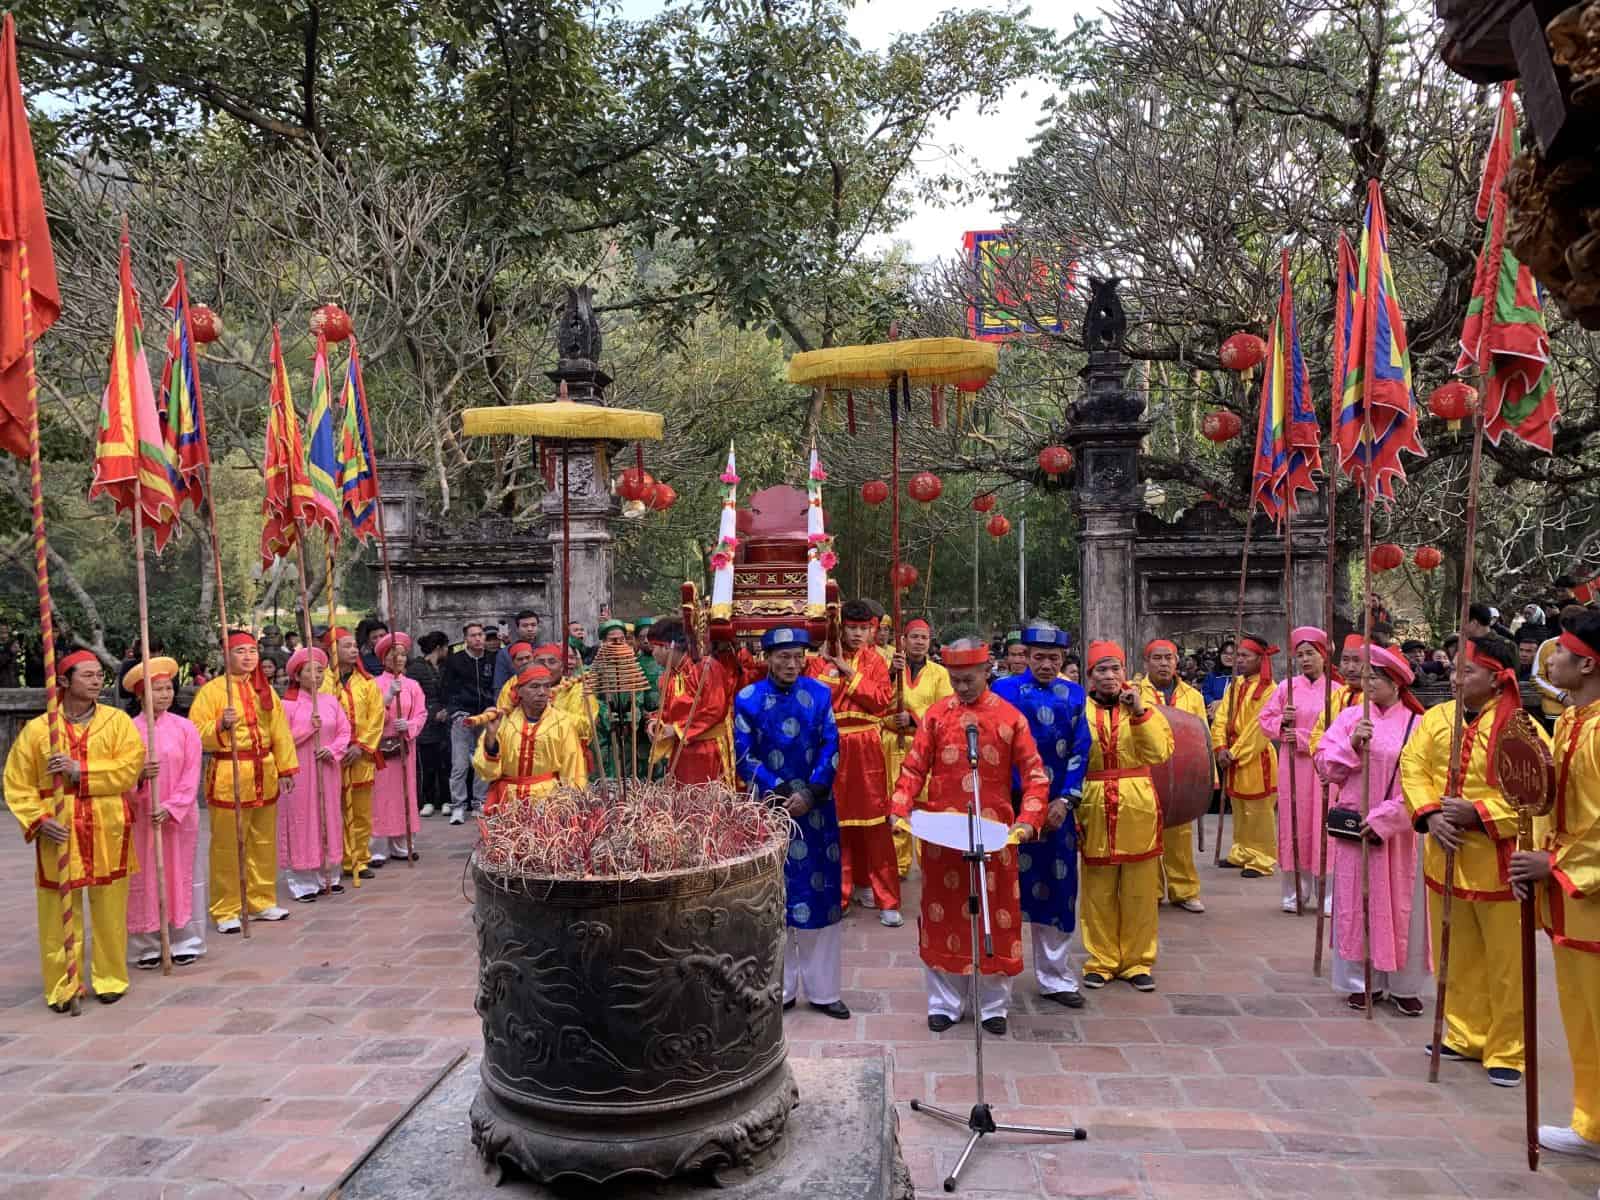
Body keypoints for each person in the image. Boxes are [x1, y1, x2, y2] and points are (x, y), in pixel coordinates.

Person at [1402, 634, 1548, 1088]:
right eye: (1454, 671)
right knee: (1457, 953)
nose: (1454, 679)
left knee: (1507, 964)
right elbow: (1414, 767)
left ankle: (1508, 1048)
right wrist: (1429, 816)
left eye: (1466, 672)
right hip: (1444, 855)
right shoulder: (1437, 720)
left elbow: (1537, 797)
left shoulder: (1521, 729)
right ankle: (1465, 1033)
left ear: (1496, 676)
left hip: (1501, 864)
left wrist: (1481, 814)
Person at [890, 634, 1049, 1034]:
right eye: (955, 679)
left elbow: (1034, 775)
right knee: (942, 915)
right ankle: (944, 1001)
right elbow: (912, 769)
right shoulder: (936, 715)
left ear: (986, 670)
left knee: (996, 914)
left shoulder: (1011, 717)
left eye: (969, 679)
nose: (961, 687)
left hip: (994, 833)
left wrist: (1028, 820)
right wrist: (899, 808)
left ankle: (993, 1005)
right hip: (944, 833)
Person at [5, 651, 145, 1009]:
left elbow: (129, 769)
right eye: (88, 675)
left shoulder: (117, 722)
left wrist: (79, 770)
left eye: (100, 675)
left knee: (110, 909)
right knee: (57, 913)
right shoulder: (38, 731)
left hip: (107, 825)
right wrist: (38, 820)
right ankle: (63, 986)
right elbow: (17, 784)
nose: (97, 681)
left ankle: (110, 978)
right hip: (60, 829)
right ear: (64, 682)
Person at [1514, 609, 1600, 1158]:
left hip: (1588, 890)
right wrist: (1534, 854)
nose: (1552, 661)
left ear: (1587, 663)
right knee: (1583, 1017)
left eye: (1562, 654)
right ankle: (1592, 1122)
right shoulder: (1571, 720)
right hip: (1569, 898)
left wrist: (1558, 866)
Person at [732, 627, 848, 1019]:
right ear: (768, 658)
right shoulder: (747, 699)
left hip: (816, 810)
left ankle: (824, 990)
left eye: (797, 655)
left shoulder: (820, 694)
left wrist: (813, 791)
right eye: (782, 656)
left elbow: (831, 746)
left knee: (820, 897)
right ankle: (778, 991)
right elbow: (744, 757)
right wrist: (780, 792)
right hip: (769, 810)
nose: (791, 663)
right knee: (773, 898)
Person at [1313, 643, 1429, 1015]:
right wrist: (1350, 745)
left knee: (1402, 905)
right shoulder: (1349, 718)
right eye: (1366, 676)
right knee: (1356, 902)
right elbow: (1325, 768)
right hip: (1354, 828)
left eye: (1375, 678)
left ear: (1396, 684)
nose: (1367, 683)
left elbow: (1426, 780)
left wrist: (1387, 818)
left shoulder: (1417, 725)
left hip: (1399, 833)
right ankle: (1361, 981)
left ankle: (1403, 984)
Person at [992, 621, 1092, 1005]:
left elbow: (1081, 751)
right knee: (1004, 892)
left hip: (1056, 814)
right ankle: (999, 977)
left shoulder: (1074, 695)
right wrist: (1021, 801)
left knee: (1058, 891)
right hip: (1011, 809)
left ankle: (1056, 978)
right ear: (1026, 658)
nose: (1046, 664)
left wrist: (1065, 800)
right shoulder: (1003, 692)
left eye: (1053, 658)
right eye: (1039, 658)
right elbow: (996, 748)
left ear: (1064, 658)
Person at [1075, 640, 1175, 991]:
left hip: (1137, 806)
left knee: (1140, 890)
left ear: (1125, 671)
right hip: (1094, 805)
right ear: (1090, 676)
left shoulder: (1146, 707)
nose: (1109, 676)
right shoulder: (1079, 710)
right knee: (1097, 891)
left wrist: (1140, 714)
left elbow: (1159, 751)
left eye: (1115, 668)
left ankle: (1137, 961)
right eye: (1101, 669)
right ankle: (1100, 960)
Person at [191, 632, 298, 932]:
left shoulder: (265, 691)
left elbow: (280, 731)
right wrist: (220, 725)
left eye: (252, 650)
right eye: (240, 651)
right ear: (227, 656)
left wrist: (286, 769)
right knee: (227, 844)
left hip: (264, 770)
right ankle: (226, 908)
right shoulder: (212, 692)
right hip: (230, 771)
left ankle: (261, 900)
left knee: (263, 841)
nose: (249, 657)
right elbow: (196, 733)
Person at [807, 599, 901, 925]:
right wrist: (850, 680)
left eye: (865, 628)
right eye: (853, 627)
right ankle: (841, 893)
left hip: (867, 746)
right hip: (834, 745)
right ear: (841, 626)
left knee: (875, 823)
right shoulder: (819, 660)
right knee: (839, 822)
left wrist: (847, 673)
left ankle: (886, 897)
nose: (859, 634)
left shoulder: (875, 660)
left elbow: (880, 702)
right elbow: (821, 700)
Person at [124, 656, 205, 968]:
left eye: (168, 688)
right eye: (156, 689)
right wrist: (140, 779)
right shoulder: (128, 730)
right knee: (142, 878)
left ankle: (185, 938)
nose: (164, 695)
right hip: (142, 815)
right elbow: (121, 775)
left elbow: (191, 772)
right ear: (140, 694)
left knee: (181, 874)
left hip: (178, 818)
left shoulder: (186, 728)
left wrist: (172, 807)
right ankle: (147, 945)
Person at [1257, 627, 1335, 914]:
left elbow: (1339, 730)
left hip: (1323, 768)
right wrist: (1281, 721)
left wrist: (1301, 738)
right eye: (1300, 655)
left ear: (1324, 655)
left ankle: (1328, 896)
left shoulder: (1336, 692)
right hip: (1292, 768)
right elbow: (1264, 721)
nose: (1305, 659)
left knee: (1322, 825)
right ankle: (1295, 893)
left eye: (1310, 653)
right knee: (1295, 825)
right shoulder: (1286, 688)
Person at [1138, 637, 1209, 913]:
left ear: (1177, 661)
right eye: (1157, 658)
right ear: (1147, 662)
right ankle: (1152, 890)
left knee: (1180, 836)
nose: (1164, 663)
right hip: (1148, 773)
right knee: (1149, 834)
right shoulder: (1134, 693)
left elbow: (1203, 739)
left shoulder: (1193, 696)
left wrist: (1206, 780)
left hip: (1184, 776)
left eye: (1169, 658)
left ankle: (1185, 891)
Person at [881, 617, 952, 878]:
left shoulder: (939, 674)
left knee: (925, 805)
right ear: (903, 640)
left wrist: (913, 717)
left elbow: (944, 709)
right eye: (914, 637)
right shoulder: (891, 669)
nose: (919, 642)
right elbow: (876, 701)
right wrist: (889, 675)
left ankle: (929, 863)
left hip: (924, 746)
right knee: (894, 802)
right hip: (891, 743)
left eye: (924, 637)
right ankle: (897, 865)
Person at [277, 648, 349, 902]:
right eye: (310, 670)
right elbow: (280, 740)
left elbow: (344, 731)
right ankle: (302, 882)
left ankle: (328, 875)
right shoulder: (287, 705)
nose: (316, 675)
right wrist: (309, 729)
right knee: (302, 821)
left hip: (327, 769)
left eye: (320, 670)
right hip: (299, 771)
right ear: (297, 675)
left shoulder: (330, 701)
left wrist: (332, 749)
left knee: (328, 817)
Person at [1210, 635, 1279, 878]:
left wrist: (1235, 753)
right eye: (1237, 656)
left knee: (1258, 810)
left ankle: (1262, 858)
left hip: (1255, 756)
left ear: (1260, 659)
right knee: (1238, 807)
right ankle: (1241, 851)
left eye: (1244, 656)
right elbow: (1220, 718)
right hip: (1230, 754)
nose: (1239, 660)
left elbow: (1259, 728)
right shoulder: (1235, 683)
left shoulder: (1270, 689)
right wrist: (1219, 747)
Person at [472, 664, 587, 810]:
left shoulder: (562, 723)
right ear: (519, 690)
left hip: (547, 804)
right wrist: (491, 737)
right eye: (534, 686)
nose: (542, 692)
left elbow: (573, 772)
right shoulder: (503, 721)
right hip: (507, 802)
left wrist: (570, 808)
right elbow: (487, 773)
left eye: (546, 686)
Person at [323, 628, 384, 879]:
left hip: (360, 755)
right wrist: (337, 747)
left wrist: (361, 746)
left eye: (354, 646)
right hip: (331, 757)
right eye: (346, 646)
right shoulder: (322, 681)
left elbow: (376, 716)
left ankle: (358, 859)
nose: (354, 650)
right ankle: (335, 858)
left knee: (360, 811)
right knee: (332, 810)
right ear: (331, 649)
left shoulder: (367, 682)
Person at [647, 618, 733, 785]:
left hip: (708, 748)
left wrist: (678, 729)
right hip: (681, 751)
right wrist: (656, 722)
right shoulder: (666, 677)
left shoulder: (707, 668)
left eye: (654, 648)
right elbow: (666, 711)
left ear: (667, 646)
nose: (653, 654)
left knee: (708, 802)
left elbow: (714, 709)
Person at [371, 633, 425, 865]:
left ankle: (403, 844)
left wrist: (410, 724)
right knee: (381, 796)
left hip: (405, 745)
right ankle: (378, 848)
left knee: (404, 793)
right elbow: (368, 716)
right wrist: (387, 698)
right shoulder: (373, 685)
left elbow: (422, 713)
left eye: (403, 654)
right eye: (395, 654)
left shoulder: (413, 685)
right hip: (381, 746)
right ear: (385, 659)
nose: (400, 658)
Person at [443, 621, 496, 824]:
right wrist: (454, 711)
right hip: (463, 717)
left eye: (481, 634)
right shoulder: (455, 660)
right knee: (460, 764)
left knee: (482, 762)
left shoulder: (491, 659)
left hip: (485, 717)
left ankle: (479, 802)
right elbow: (446, 687)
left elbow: (494, 686)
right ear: (466, 639)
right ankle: (458, 806)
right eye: (473, 635)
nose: (478, 638)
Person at [410, 631, 451, 817]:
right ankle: (426, 800)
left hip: (444, 721)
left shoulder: (444, 667)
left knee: (445, 763)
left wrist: (446, 710)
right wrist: (431, 713)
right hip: (425, 722)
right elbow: (414, 697)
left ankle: (445, 799)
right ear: (438, 648)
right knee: (427, 763)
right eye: (445, 647)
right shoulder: (416, 668)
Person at [1309, 635, 1366, 755]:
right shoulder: (1338, 695)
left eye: (1357, 660)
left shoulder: (1376, 699)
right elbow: (1318, 732)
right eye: (1345, 660)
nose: (1350, 668)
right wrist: (1326, 755)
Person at [492, 609, 541, 692]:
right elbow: (499, 686)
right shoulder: (505, 653)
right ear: (517, 628)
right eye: (525, 626)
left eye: (533, 625)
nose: (530, 629)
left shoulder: (545, 649)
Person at [1201, 640, 1235, 714]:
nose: (1228, 657)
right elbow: (1205, 693)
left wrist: (1222, 703)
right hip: (1214, 713)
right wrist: (1212, 702)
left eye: (1232, 654)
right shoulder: (1212, 675)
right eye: (1225, 653)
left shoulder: (1242, 676)